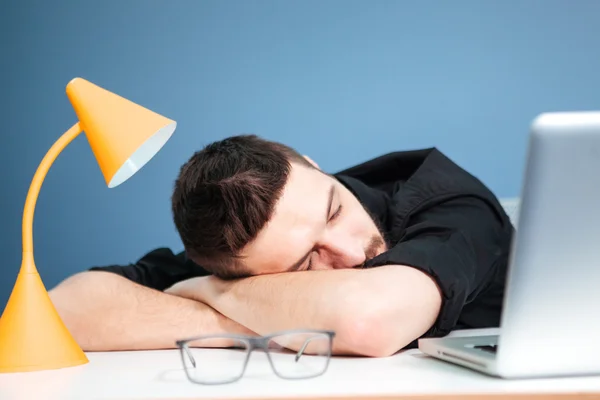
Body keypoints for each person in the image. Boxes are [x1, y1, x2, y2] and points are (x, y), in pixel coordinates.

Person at [49, 135, 514, 357]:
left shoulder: (446, 197)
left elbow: (369, 322)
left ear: (313, 164)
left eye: (332, 211)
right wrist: (242, 316)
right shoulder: (238, 252)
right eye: (307, 261)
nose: (351, 253)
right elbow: (62, 311)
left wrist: (216, 295)